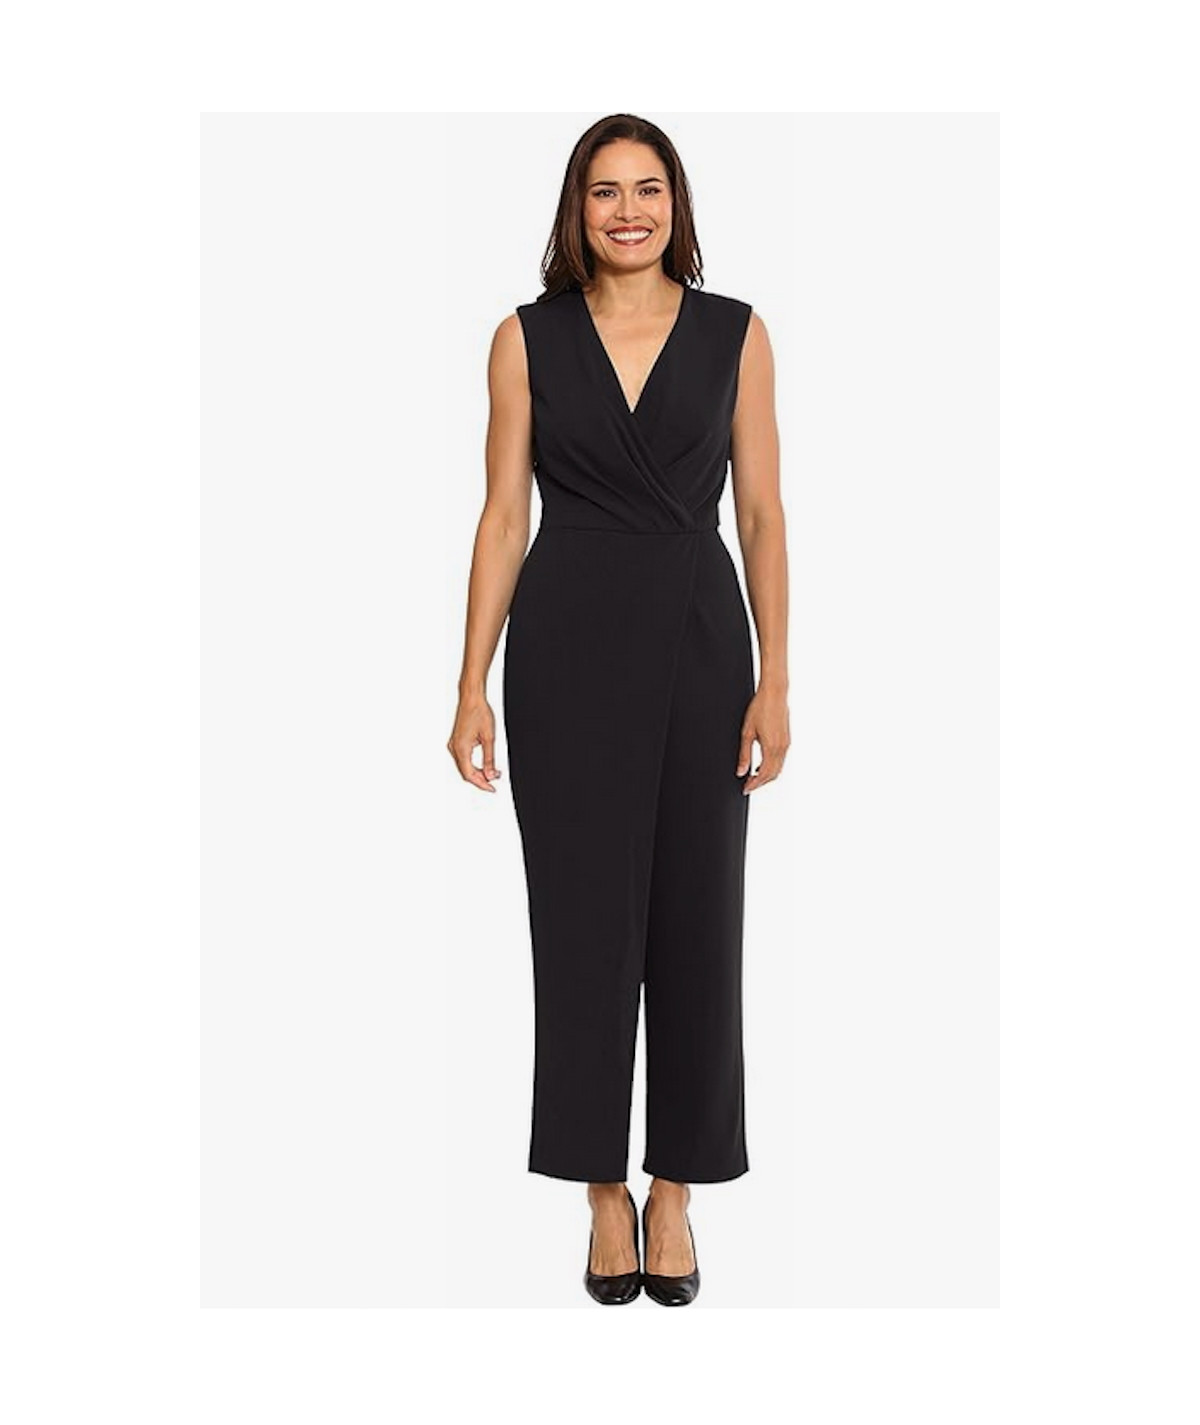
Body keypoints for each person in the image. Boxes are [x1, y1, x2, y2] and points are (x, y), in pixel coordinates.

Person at [448, 113, 789, 1305]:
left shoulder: (737, 334)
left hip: (701, 643)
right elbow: (504, 515)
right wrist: (470, 682)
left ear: (675, 204)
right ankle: (603, 1191)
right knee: (582, 923)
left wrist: (777, 677)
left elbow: (762, 515)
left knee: (701, 917)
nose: (629, 212)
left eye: (649, 189)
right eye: (606, 192)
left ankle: (677, 1189)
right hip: (565, 651)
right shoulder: (524, 338)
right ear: (576, 209)